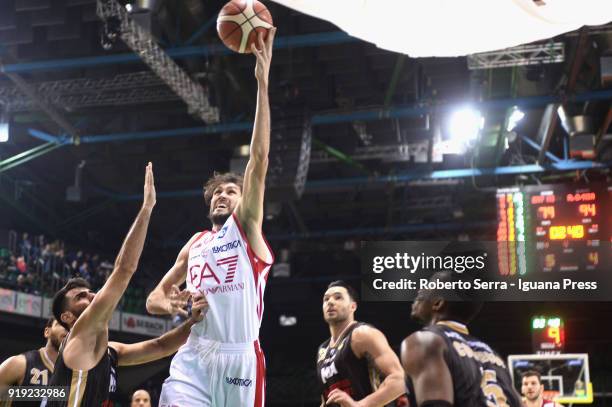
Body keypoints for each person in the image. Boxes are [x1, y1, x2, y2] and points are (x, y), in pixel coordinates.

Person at [147, 28, 277, 407]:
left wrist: (262, 84)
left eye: (230, 191)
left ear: (243, 202)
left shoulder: (247, 229)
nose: (222, 194)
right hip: (194, 354)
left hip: (240, 358)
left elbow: (259, 161)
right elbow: (156, 298)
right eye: (216, 192)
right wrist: (174, 304)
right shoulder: (196, 243)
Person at [42, 163, 208, 407]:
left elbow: (161, 345)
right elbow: (124, 269)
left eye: (90, 292)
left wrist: (197, 320)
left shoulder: (109, 352)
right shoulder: (26, 363)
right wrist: (147, 209)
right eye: (81, 297)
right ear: (65, 318)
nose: (93, 295)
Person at [401, 271, 522, 407]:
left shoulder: (426, 341)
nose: (419, 290)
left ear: (438, 303)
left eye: (427, 286)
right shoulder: (495, 358)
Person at [317, 281, 405, 407]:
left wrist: (359, 405)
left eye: (338, 297)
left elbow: (399, 380)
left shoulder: (363, 334)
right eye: (326, 299)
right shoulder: (322, 350)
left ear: (353, 306)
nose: (330, 302)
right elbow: (326, 400)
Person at [0, 318, 67, 406]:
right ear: (47, 332)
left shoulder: (76, 376)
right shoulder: (19, 364)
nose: (67, 329)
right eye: (61, 324)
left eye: (71, 326)